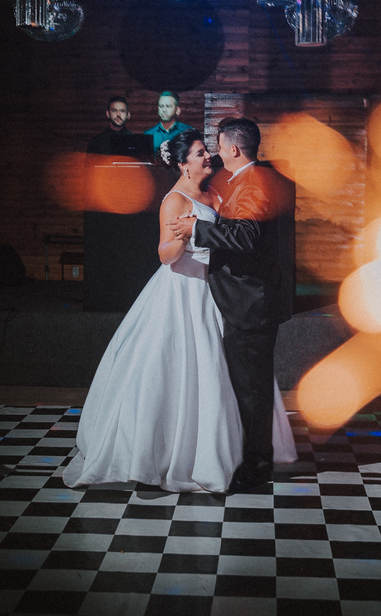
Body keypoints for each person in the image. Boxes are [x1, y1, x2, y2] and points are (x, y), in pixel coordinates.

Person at [63, 129, 295, 492]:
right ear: (184, 164)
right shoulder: (174, 201)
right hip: (185, 288)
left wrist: (201, 232)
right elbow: (165, 255)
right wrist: (184, 239)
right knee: (180, 368)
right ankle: (174, 451)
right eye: (201, 153)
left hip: (218, 290)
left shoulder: (217, 192)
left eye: (209, 151)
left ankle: (233, 450)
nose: (208, 157)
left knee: (226, 373)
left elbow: (234, 233)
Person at [168, 117, 296, 494]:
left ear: (234, 150)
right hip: (243, 300)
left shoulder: (253, 182)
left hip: (251, 304)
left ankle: (256, 466)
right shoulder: (242, 182)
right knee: (247, 388)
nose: (216, 151)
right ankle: (249, 456)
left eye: (219, 145)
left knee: (253, 391)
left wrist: (197, 229)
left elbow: (246, 236)